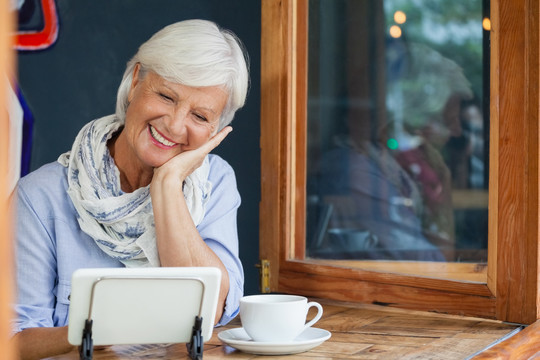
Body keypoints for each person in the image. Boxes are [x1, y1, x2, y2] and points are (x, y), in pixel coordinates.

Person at [11, 19, 249, 359]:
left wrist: (166, 185)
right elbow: (12, 341)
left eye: (199, 116)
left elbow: (210, 311)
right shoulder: (40, 197)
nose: (175, 124)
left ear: (216, 130)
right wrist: (96, 330)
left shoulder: (216, 183)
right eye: (167, 96)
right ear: (136, 81)